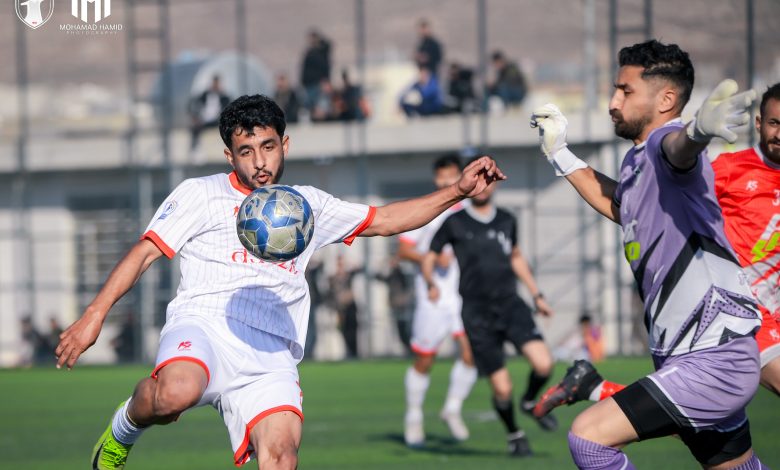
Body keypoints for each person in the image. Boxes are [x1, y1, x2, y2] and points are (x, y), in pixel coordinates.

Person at [55, 93, 505, 470]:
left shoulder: (307, 206)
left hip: (271, 351)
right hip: (205, 325)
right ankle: (122, 431)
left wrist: (457, 191)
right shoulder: (200, 194)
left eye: (268, 147)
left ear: (285, 144)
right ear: (229, 155)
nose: (260, 162)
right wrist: (94, 315)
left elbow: (385, 220)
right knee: (175, 393)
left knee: (282, 458)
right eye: (246, 151)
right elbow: (145, 252)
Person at [529, 39, 764, 469]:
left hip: (713, 359)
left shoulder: (662, 145)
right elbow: (621, 206)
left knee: (589, 439)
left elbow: (679, 149)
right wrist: (560, 154)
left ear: (666, 100)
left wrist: (697, 133)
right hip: (686, 355)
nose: (613, 101)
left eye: (626, 91)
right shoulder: (636, 160)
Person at [422, 165, 557, 457]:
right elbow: (429, 256)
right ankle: (515, 435)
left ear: (496, 183)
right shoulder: (454, 222)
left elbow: (516, 256)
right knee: (502, 389)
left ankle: (530, 401)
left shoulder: (507, 220)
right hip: (477, 313)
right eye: (478, 180)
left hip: (511, 305)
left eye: (489, 180)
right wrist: (430, 282)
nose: (484, 186)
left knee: (544, 364)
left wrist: (537, 295)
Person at [397, 154, 478, 447]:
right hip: (432, 297)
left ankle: (452, 409)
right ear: (435, 178)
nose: (446, 181)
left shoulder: (469, 210)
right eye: (441, 176)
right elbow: (404, 251)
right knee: (425, 359)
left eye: (451, 175)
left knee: (471, 353)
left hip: (462, 296)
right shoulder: (428, 208)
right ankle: (414, 416)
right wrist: (430, 257)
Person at [373, 255, 413, 353]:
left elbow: (408, 288)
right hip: (396, 306)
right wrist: (381, 265)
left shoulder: (400, 273)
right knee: (400, 329)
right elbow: (378, 277)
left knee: (405, 328)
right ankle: (408, 349)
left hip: (403, 306)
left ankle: (411, 349)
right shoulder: (392, 274)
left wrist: (403, 299)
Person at [328, 255, 361, 359]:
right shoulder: (333, 278)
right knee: (344, 331)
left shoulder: (349, 275)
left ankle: (354, 353)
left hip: (351, 307)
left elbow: (359, 268)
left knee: (353, 331)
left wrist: (350, 264)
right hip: (341, 309)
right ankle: (349, 352)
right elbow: (331, 294)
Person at [188, 75, 231, 152]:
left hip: (217, 120)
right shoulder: (205, 95)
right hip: (204, 120)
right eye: (214, 83)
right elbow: (194, 103)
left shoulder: (224, 97)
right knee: (195, 127)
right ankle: (195, 149)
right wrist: (195, 116)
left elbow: (228, 107)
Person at [300, 30, 331, 112]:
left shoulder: (321, 52)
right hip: (309, 84)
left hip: (317, 84)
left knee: (319, 108)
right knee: (310, 108)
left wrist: (326, 81)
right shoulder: (310, 52)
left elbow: (325, 67)